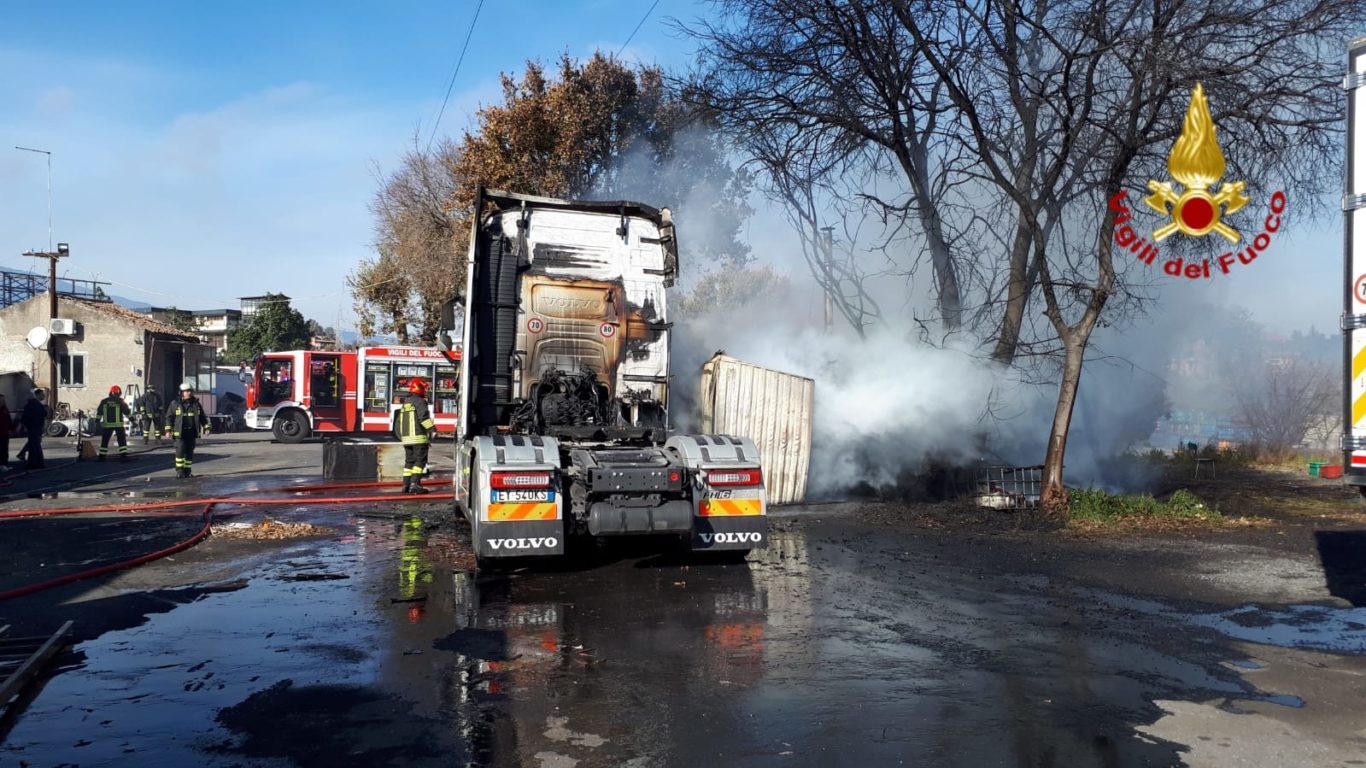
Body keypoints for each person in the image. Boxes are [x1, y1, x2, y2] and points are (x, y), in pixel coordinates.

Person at [393, 378, 435, 494]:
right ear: (420, 388)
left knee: (409, 462)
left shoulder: (406, 403)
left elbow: (399, 422)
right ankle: (415, 485)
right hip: (418, 438)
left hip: (406, 439)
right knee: (420, 461)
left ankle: (406, 485)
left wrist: (401, 437)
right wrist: (432, 430)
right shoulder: (420, 402)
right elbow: (423, 418)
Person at [164, 382, 210, 478]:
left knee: (189, 452)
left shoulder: (196, 404)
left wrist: (206, 427)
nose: (189, 393)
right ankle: (179, 471)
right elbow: (169, 417)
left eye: (190, 391)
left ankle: (187, 471)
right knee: (180, 452)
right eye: (186, 391)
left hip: (192, 432)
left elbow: (202, 417)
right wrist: (168, 430)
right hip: (180, 433)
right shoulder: (175, 403)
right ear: (181, 392)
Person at [96, 385, 132, 462]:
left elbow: (99, 412)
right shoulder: (121, 401)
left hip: (107, 425)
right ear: (119, 393)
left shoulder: (104, 401)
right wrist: (133, 421)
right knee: (121, 441)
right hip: (118, 425)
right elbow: (127, 412)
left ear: (111, 392)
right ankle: (123, 456)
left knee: (105, 441)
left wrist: (97, 422)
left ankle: (101, 457)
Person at [20, 388, 47, 470]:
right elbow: (27, 417)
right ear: (37, 395)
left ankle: (35, 463)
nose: (44, 396)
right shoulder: (34, 405)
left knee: (35, 445)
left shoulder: (35, 405)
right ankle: (36, 463)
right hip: (34, 427)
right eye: (42, 395)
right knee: (35, 446)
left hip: (35, 427)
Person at [0, 394, 11, 465]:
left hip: (5, 433)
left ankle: (4, 463)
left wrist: (10, 428)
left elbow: (9, 420)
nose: (2, 401)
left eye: (3, 400)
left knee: (5, 449)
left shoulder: (5, 409)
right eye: (1, 400)